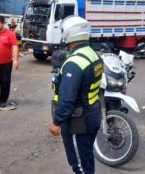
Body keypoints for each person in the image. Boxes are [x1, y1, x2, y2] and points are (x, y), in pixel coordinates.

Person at [49, 16, 102, 174]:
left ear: (70, 33)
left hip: (78, 123)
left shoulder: (74, 63)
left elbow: (66, 100)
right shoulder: (92, 54)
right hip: (93, 114)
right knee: (86, 158)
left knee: (80, 166)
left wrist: (56, 122)